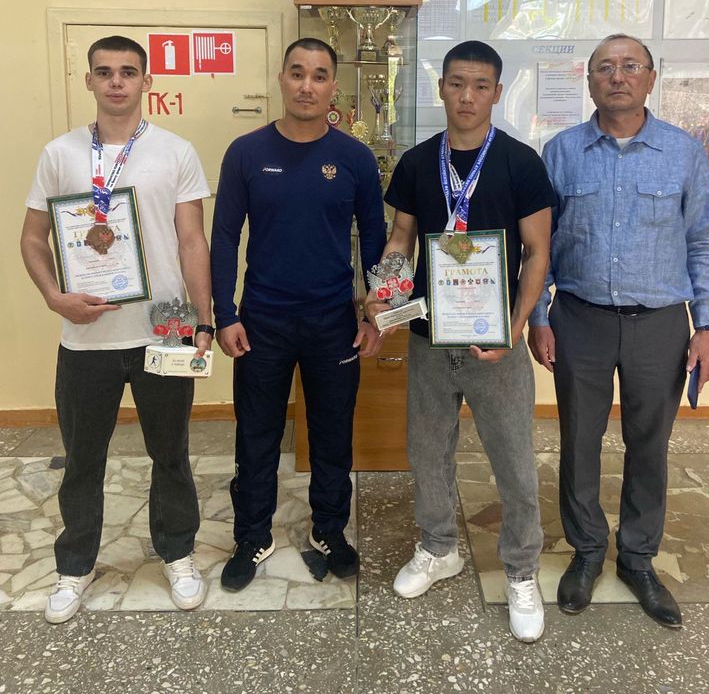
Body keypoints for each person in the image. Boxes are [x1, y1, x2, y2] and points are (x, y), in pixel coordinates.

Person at [528, 34, 709, 628]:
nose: (618, 76)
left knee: (649, 444)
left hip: (660, 325)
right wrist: (538, 316)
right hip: (579, 320)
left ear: (650, 78)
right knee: (579, 441)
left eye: (630, 66)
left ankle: (638, 558)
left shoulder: (683, 152)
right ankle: (587, 551)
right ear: (589, 81)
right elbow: (540, 246)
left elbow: (702, 242)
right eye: (605, 68)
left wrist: (706, 324)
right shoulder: (561, 151)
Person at [366, 40, 555, 643]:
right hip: (429, 336)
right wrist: (385, 286)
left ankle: (521, 571)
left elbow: (537, 254)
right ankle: (439, 546)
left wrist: (515, 330)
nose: (467, 96)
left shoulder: (521, 163)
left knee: (513, 458)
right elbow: (402, 236)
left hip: (496, 343)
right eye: (456, 84)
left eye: (479, 85)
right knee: (428, 450)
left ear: (496, 92)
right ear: (442, 88)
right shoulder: (418, 162)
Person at [20, 35, 213, 624]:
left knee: (171, 454)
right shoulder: (60, 154)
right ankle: (74, 567)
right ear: (89, 82)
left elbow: (191, 241)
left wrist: (204, 320)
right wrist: (55, 297)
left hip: (164, 331)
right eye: (104, 72)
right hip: (86, 340)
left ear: (147, 82)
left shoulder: (176, 151)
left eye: (128, 72)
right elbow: (32, 239)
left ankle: (177, 553)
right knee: (82, 460)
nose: (117, 82)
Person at [211, 38, 386, 590]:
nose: (307, 85)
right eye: (297, 73)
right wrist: (224, 313)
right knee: (256, 434)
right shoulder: (246, 152)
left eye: (319, 75)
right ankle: (252, 535)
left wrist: (375, 314)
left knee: (332, 433)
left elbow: (375, 241)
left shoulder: (355, 158)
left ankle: (329, 529)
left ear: (334, 86)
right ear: (282, 79)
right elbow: (224, 237)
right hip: (262, 320)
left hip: (334, 320)